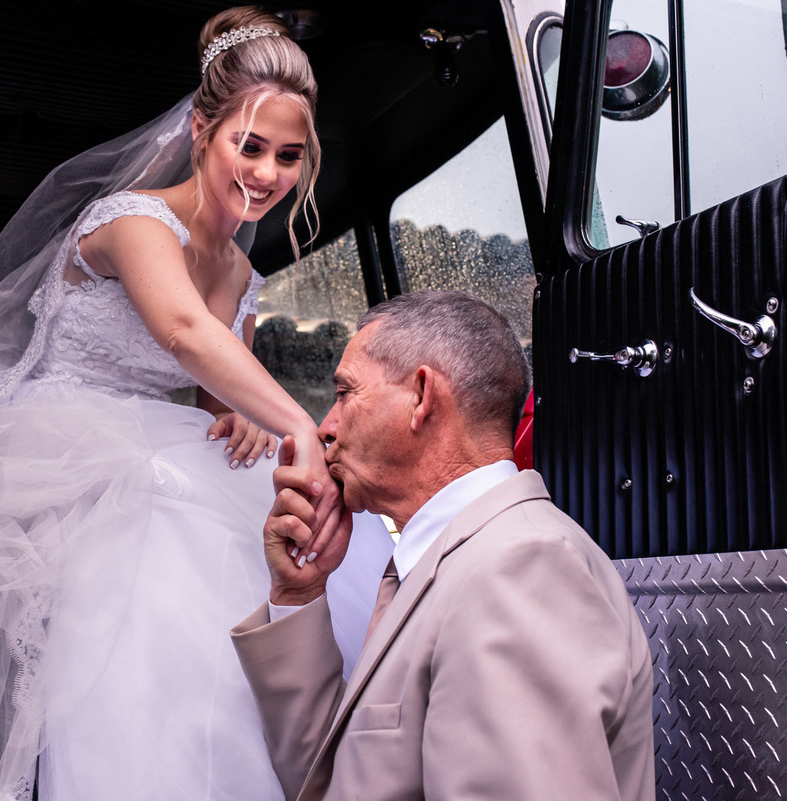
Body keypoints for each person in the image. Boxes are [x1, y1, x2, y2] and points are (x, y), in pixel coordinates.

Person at [0, 7, 351, 800]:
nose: (269, 173)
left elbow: (217, 384)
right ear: (201, 132)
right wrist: (296, 423)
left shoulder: (243, 275)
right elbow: (182, 332)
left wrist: (244, 411)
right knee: (161, 525)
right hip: (61, 435)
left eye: (287, 155)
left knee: (257, 529)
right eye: (249, 147)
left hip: (153, 437)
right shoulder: (131, 221)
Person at [232, 290, 656, 801]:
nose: (326, 427)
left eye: (345, 394)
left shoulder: (519, 568)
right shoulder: (456, 563)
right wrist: (299, 593)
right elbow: (339, 785)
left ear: (421, 396)